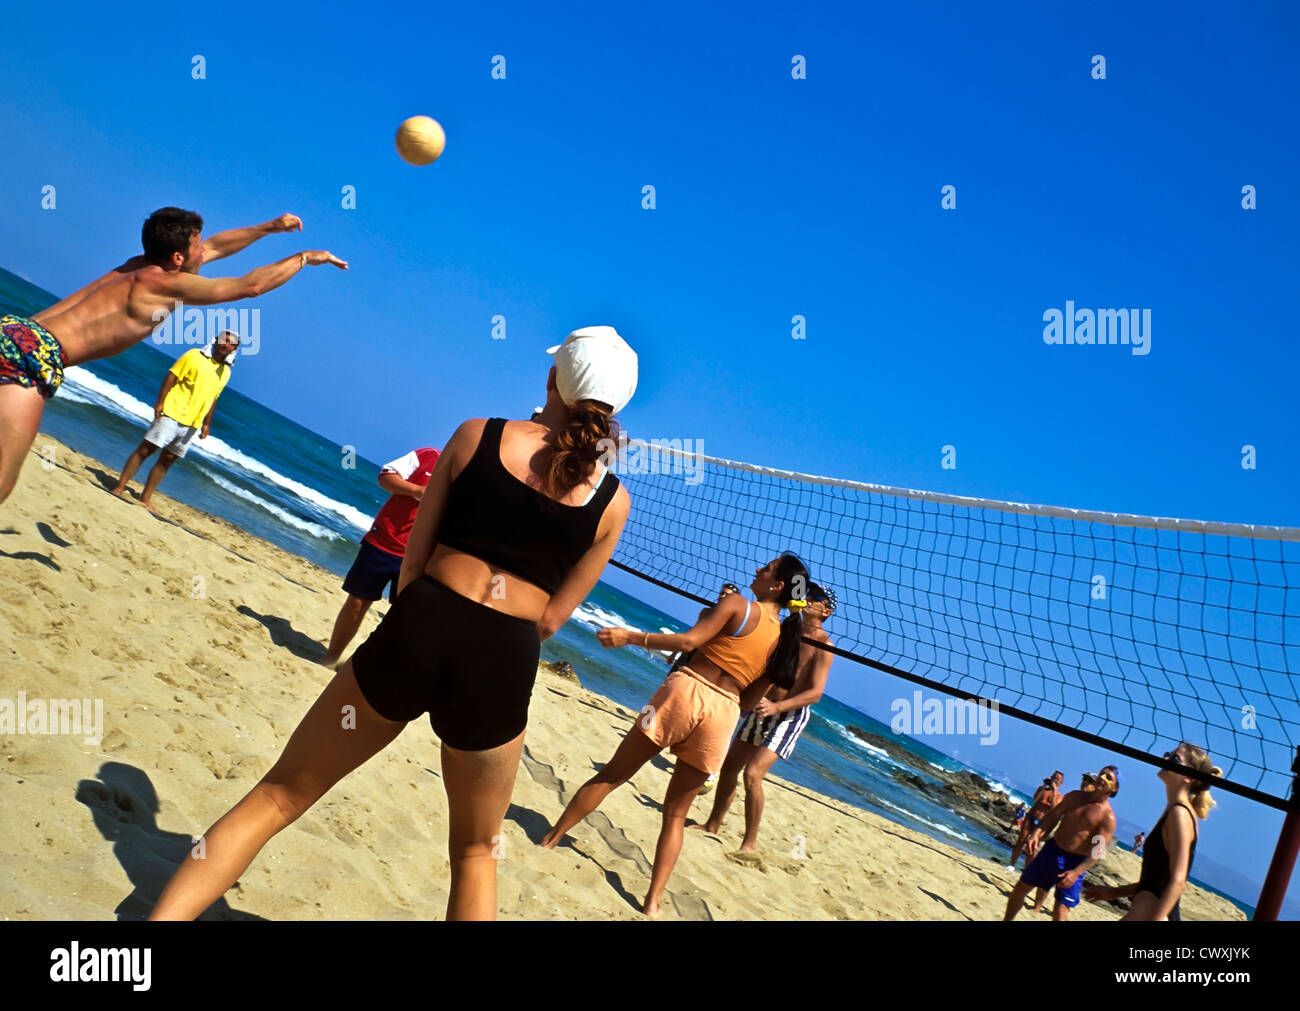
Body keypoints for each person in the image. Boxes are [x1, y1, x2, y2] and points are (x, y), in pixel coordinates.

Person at [148, 325, 637, 921]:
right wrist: (486, 646)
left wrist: (423, 628)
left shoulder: (478, 434)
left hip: (424, 619)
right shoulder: (612, 501)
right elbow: (553, 618)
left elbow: (414, 559)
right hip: (503, 654)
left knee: (279, 795)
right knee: (477, 853)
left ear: (552, 378)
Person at [0, 206, 346, 504]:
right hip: (33, 357)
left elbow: (214, 247)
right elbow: (250, 286)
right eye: (197, 247)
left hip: (13, 331)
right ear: (178, 258)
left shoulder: (138, 266)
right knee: (3, 478)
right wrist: (303, 258)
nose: (204, 252)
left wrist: (269, 228)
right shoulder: (164, 285)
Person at [540, 553, 810, 917]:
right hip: (725, 713)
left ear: (777, 585)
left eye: (767, 568)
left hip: (685, 692)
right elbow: (748, 699)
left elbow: (687, 643)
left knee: (614, 775)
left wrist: (630, 637)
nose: (758, 569)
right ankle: (652, 902)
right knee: (675, 815)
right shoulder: (785, 643)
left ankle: (551, 839)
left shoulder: (737, 605)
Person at [693, 582, 836, 851]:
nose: (807, 598)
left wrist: (777, 708)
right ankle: (713, 824)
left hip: (789, 714)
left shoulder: (824, 646)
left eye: (815, 597)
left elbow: (815, 693)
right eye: (807, 593)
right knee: (729, 767)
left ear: (826, 611)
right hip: (764, 705)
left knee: (753, 774)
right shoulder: (787, 630)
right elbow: (765, 668)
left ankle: (750, 844)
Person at [318, 446, 442, 668]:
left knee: (403, 616)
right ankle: (332, 657)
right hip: (383, 541)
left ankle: (375, 668)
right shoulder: (428, 456)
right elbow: (385, 478)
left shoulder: (465, 481)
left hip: (419, 556)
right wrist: (417, 490)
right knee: (358, 600)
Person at [1083, 743, 1220, 921]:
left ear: (1189, 777)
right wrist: (1113, 892)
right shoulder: (1174, 811)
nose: (1165, 759)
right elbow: (1155, 880)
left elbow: (1178, 882)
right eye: (1167, 754)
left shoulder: (1180, 814)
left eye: (1175, 759)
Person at [110, 331, 239, 511]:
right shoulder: (194, 355)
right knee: (146, 449)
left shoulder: (225, 372)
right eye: (225, 340)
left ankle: (145, 498)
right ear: (216, 340)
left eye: (232, 344)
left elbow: (213, 398)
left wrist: (207, 423)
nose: (227, 345)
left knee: (168, 460)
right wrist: (160, 401)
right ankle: (120, 486)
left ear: (234, 349)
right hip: (172, 411)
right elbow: (172, 376)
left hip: (193, 422)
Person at [1004, 765, 1120, 922]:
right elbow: (1052, 817)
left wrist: (1075, 872)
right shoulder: (1075, 797)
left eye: (1109, 778)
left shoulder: (1107, 818)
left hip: (1075, 863)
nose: (1102, 778)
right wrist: (1036, 834)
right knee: (1019, 889)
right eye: (1102, 774)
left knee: (1060, 910)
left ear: (1114, 788)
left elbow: (1096, 853)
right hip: (1053, 849)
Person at [666, 582, 741, 672]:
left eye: (727, 595)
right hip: (688, 655)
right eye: (722, 593)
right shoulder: (706, 612)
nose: (723, 596)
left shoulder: (732, 621)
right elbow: (692, 633)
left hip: (704, 661)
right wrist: (674, 653)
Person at [1008, 770, 1064, 868]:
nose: (1054, 780)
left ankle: (1027, 869)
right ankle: (1012, 865)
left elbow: (1054, 807)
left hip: (1042, 823)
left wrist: (1054, 790)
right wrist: (1044, 786)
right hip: (1031, 817)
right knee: (1021, 840)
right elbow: (1035, 798)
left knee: (1033, 846)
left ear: (1061, 783)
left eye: (1057, 779)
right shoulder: (1042, 789)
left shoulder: (1060, 797)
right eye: (1053, 777)